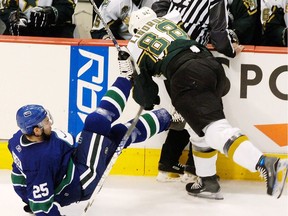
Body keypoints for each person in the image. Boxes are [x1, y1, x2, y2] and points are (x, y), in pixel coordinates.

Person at [126, 7, 287, 199]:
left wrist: (130, 73)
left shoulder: (134, 44)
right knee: (197, 131)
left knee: (215, 129)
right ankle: (207, 181)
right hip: (211, 66)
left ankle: (265, 163)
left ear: (134, 29)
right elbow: (175, 16)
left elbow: (147, 99)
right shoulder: (168, 20)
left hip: (187, 76)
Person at [7, 53, 172, 215]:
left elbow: (18, 175)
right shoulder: (40, 162)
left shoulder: (16, 140)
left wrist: (27, 199)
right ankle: (127, 77)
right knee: (97, 121)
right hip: (82, 180)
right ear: (36, 131)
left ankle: (169, 118)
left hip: (74, 162)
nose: (50, 122)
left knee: (119, 134)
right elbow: (43, 207)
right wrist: (36, 204)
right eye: (45, 122)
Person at [90, 0, 197, 183]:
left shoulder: (137, 41)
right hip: (177, 64)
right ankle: (188, 167)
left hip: (161, 65)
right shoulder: (117, 6)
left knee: (185, 114)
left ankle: (169, 163)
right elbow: (98, 33)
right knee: (193, 114)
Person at [1, 0, 76, 37]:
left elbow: (67, 8)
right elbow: (6, 7)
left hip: (52, 34)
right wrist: (13, 17)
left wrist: (52, 13)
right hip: (18, 35)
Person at [90, 0, 156, 40]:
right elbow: (97, 32)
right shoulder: (114, 4)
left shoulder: (157, 2)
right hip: (125, 47)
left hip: (153, 43)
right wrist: (108, 39)